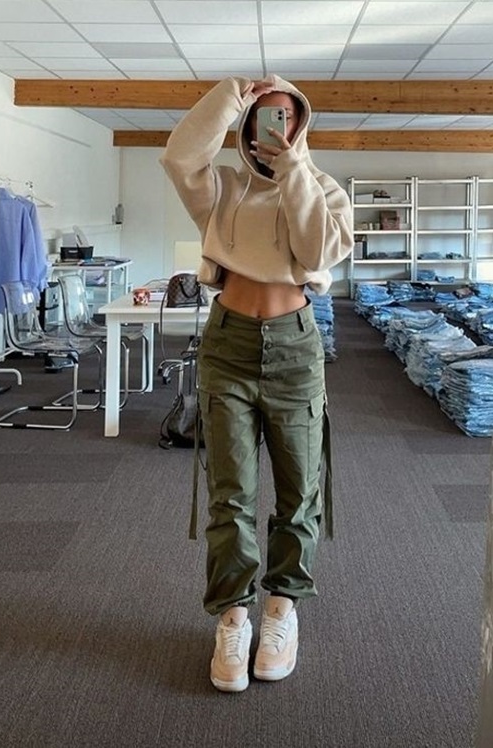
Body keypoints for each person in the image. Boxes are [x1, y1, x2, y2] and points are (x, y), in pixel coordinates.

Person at [161, 75, 353, 693]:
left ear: (303, 125)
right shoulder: (220, 187)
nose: (279, 128)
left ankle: (280, 611)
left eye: (288, 117)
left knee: (299, 492)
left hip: (296, 348)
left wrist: (293, 169)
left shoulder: (326, 191)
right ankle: (233, 619)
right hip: (229, 345)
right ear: (246, 125)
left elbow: (316, 251)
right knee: (230, 495)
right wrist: (229, 95)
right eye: (266, 116)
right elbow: (179, 156)